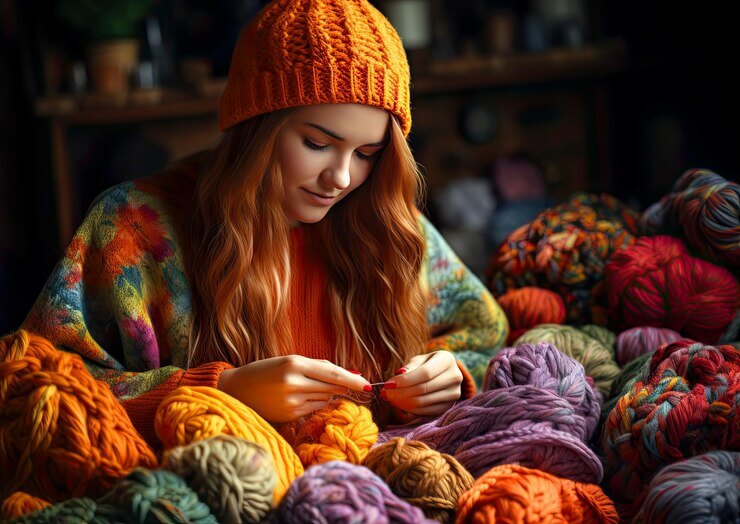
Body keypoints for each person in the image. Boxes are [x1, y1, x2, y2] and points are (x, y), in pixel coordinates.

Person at [22, 0, 509, 446]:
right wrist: (224, 389)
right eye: (317, 144)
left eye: (366, 154)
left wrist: (454, 373)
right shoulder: (135, 228)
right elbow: (32, 390)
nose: (340, 178)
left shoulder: (383, 225)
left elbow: (485, 332)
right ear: (257, 126)